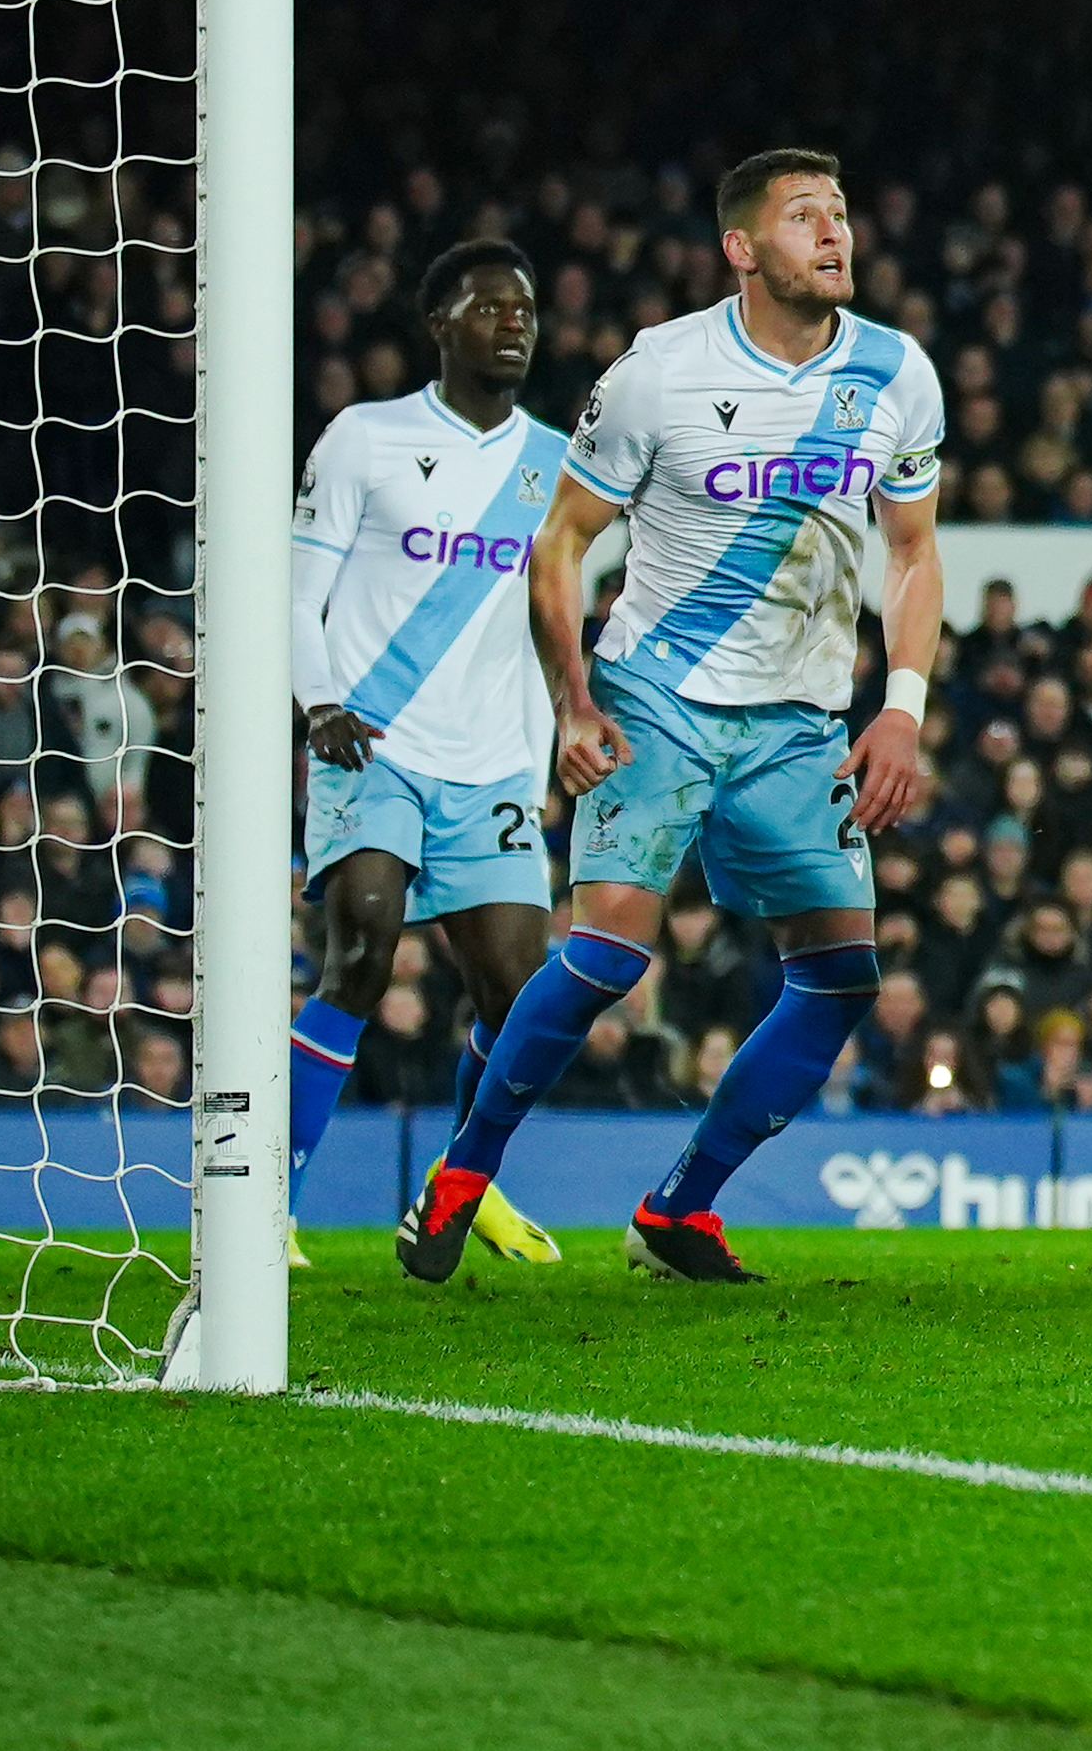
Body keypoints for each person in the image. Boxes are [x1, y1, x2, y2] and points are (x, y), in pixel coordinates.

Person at [408, 150, 946, 1286]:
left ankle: (680, 1209)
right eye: (805, 218)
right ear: (742, 249)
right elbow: (560, 543)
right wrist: (571, 700)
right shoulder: (661, 372)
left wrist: (900, 709)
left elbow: (912, 555)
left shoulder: (897, 373)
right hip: (658, 695)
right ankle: (461, 1176)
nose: (835, 234)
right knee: (606, 952)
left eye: (841, 213)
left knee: (844, 977)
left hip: (799, 719)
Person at [286, 239, 566, 1266]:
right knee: (361, 947)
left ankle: (464, 1184)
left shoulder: (551, 467)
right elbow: (294, 590)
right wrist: (317, 704)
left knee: (520, 996)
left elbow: (553, 627)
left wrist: (548, 758)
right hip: (370, 741)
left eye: (526, 309)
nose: (516, 323)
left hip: (492, 762)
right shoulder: (366, 438)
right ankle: (268, 1204)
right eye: (493, 307)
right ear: (441, 322)